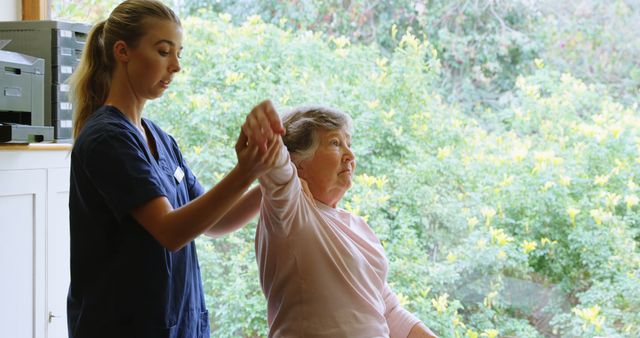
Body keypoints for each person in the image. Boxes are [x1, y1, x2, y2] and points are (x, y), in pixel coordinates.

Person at [67, 1, 283, 337]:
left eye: (178, 53)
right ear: (123, 51)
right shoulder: (106, 139)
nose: (176, 66)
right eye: (164, 51)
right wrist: (245, 171)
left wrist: (273, 179)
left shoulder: (161, 139)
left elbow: (216, 222)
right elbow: (170, 232)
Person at [253, 105, 438, 338]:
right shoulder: (290, 211)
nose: (350, 155)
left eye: (348, 144)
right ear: (298, 162)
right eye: (335, 143)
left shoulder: (358, 227)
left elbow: (387, 311)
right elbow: (275, 161)